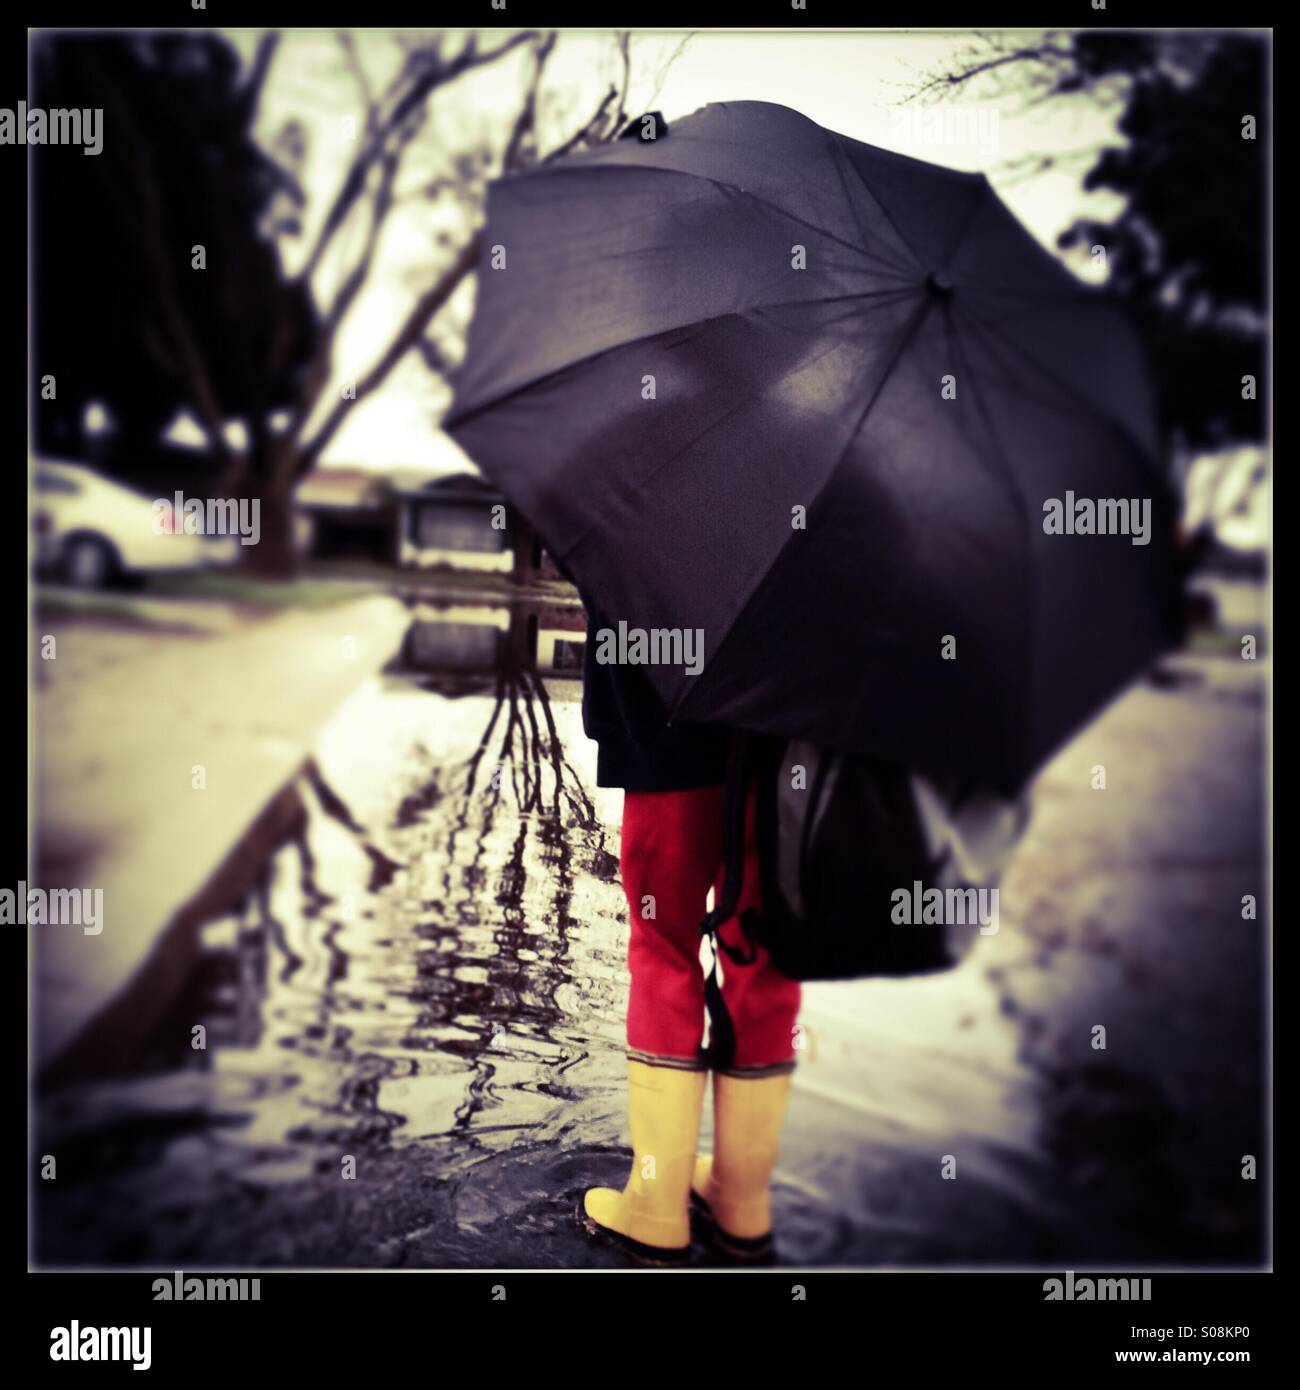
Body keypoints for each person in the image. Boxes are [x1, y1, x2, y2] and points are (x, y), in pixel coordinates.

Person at [574, 596, 802, 1266]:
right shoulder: (820, 495)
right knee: (764, 949)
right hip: (790, 722)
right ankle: (740, 1203)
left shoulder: (645, 490)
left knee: (663, 945)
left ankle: (654, 1205)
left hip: (666, 714)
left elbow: (591, 547)